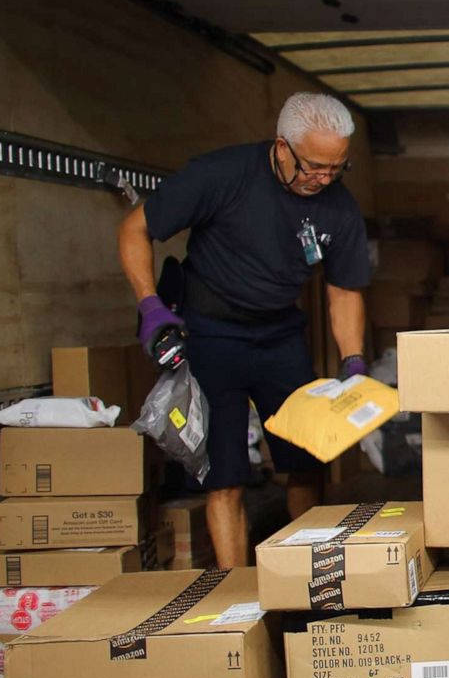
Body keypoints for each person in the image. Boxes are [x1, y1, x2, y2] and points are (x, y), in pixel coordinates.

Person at [117, 92, 370, 569]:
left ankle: (308, 576)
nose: (323, 179)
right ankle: (239, 595)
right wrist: (150, 306)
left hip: (280, 337)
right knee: (224, 477)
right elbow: (135, 228)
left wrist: (352, 360)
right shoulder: (221, 175)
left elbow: (344, 289)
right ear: (282, 147)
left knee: (306, 460)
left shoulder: (339, 206)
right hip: (212, 336)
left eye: (336, 169)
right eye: (314, 166)